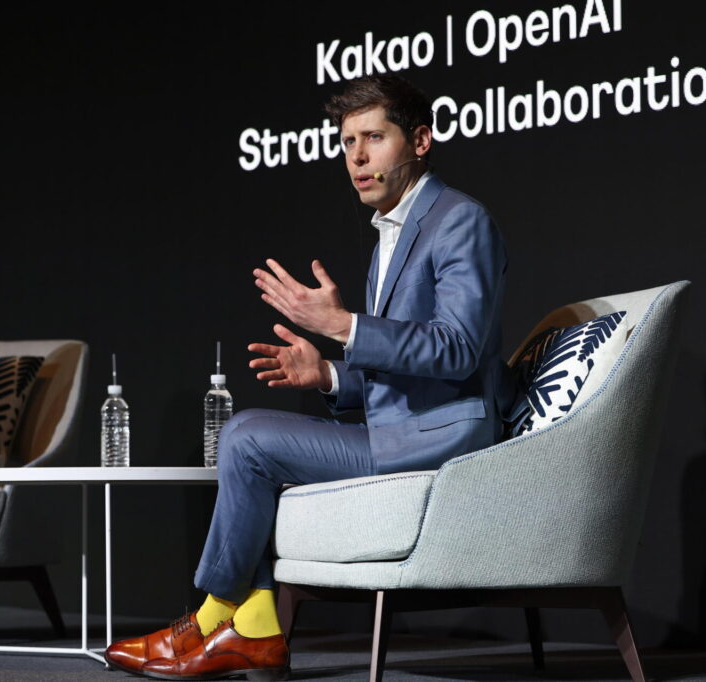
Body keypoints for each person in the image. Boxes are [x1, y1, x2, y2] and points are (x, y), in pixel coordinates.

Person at [106, 75, 517, 680]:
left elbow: (457, 351)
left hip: (441, 439)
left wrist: (344, 326)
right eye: (348, 142)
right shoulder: (393, 231)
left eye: (374, 137)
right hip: (400, 431)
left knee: (247, 437)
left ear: (420, 141)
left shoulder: (460, 220)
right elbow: (404, 373)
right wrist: (327, 373)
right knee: (252, 443)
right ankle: (254, 628)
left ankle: (216, 618)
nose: (357, 157)